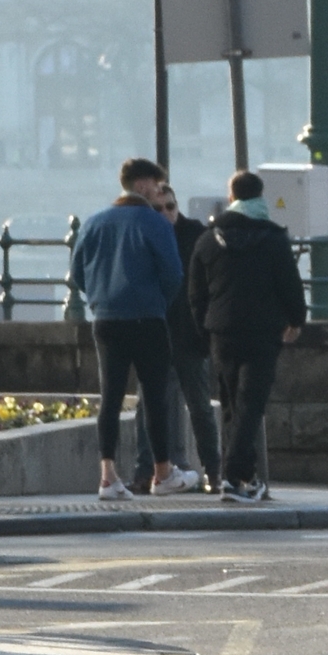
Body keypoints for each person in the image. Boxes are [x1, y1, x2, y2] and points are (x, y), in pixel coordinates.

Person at [70, 155, 189, 502]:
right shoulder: (154, 223)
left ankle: (108, 476)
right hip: (147, 317)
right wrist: (157, 301)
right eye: (153, 185)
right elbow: (173, 274)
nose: (156, 192)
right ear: (141, 185)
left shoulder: (93, 223)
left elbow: (78, 272)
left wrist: (99, 298)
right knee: (154, 396)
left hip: (105, 319)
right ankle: (162, 472)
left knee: (110, 397)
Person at [186, 169, 308, 504]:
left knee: (230, 406)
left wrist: (204, 326)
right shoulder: (273, 239)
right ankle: (232, 476)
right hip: (263, 331)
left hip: (222, 331)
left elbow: (195, 292)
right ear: (260, 197)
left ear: (232, 197)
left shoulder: (209, 239)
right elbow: (290, 285)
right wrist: (296, 320)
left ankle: (245, 478)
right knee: (251, 404)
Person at [130, 182, 222, 492]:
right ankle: (147, 471)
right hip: (154, 333)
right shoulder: (143, 235)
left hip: (189, 335)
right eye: (158, 208)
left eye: (170, 206)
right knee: (149, 406)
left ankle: (213, 471)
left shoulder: (193, 234)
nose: (166, 213)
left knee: (200, 407)